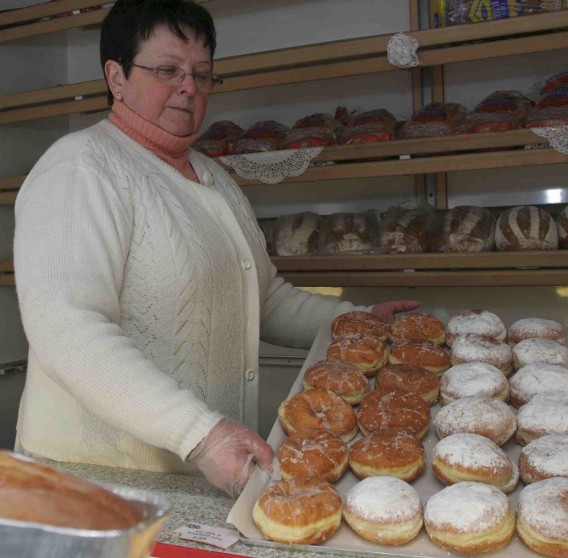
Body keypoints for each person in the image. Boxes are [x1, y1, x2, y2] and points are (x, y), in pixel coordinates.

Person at [13, 0, 419, 498]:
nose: (188, 88)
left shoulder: (212, 177)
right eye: (167, 70)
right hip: (97, 483)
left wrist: (358, 323)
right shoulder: (81, 169)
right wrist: (199, 435)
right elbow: (66, 326)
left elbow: (262, 299)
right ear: (115, 76)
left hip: (194, 474)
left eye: (202, 75)